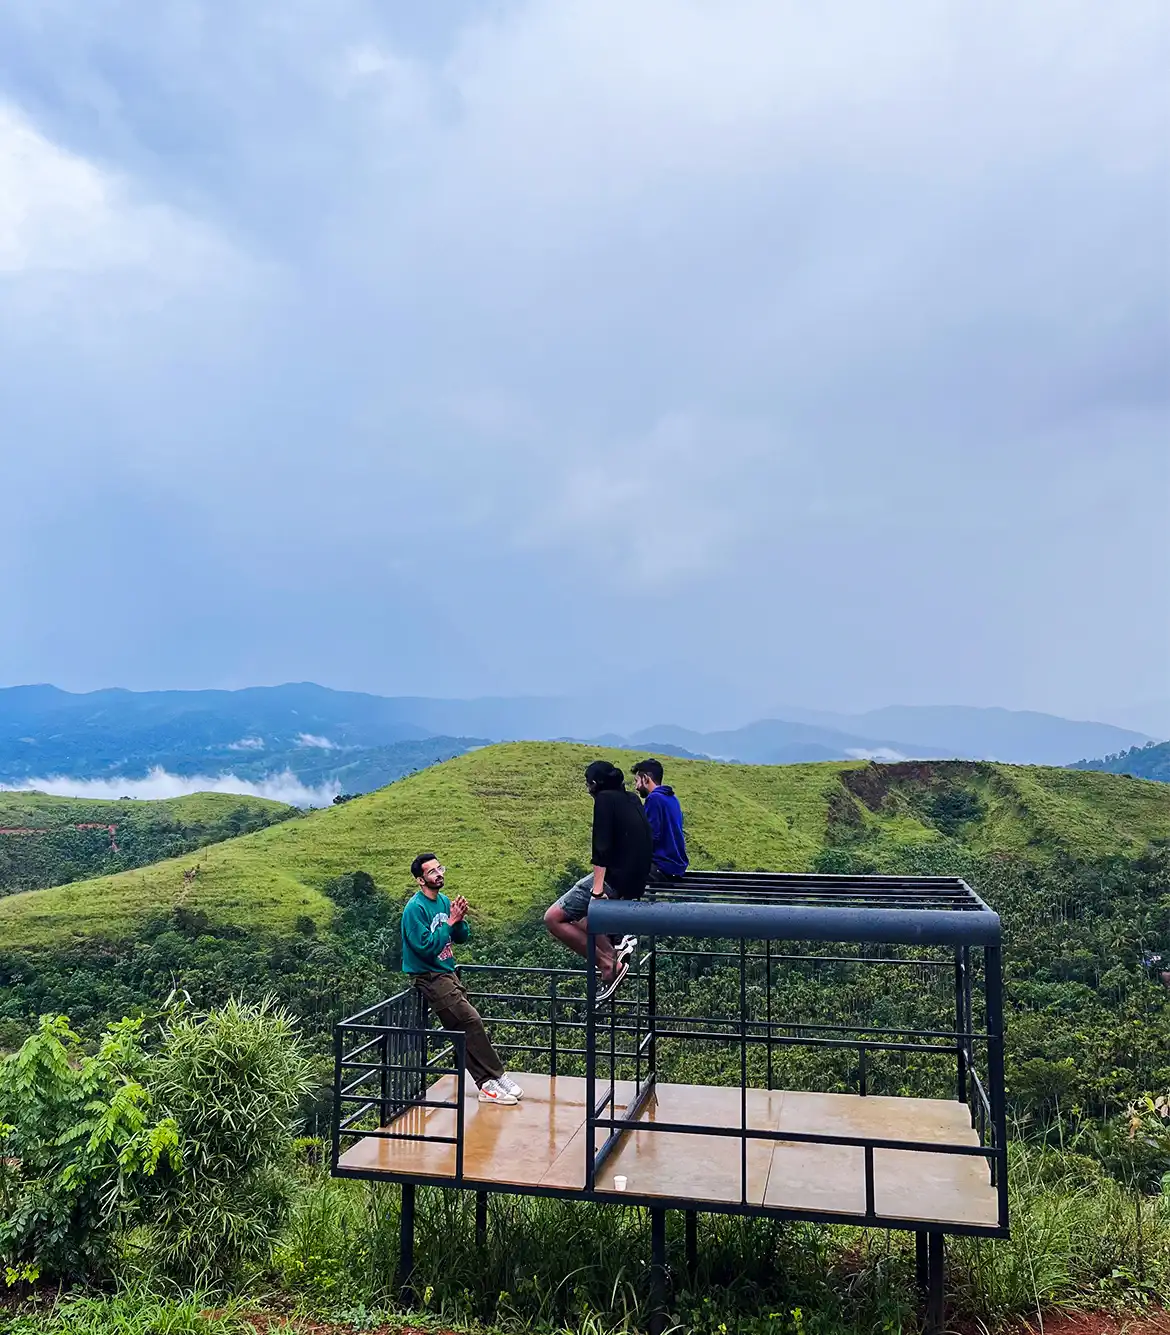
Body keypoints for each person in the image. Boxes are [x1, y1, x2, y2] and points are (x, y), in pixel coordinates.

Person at [401, 852, 523, 1106]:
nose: (439, 873)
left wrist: (460, 920)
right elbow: (424, 948)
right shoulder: (415, 909)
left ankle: (487, 1084)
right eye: (432, 871)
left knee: (461, 1029)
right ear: (420, 880)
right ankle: (497, 1076)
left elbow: (461, 937)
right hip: (429, 976)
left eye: (440, 868)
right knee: (471, 1020)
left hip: (447, 971)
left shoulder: (444, 901)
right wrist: (451, 921)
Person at [543, 760, 652, 1001]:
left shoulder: (604, 800)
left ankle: (607, 964)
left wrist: (597, 891)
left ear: (595, 784)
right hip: (635, 881)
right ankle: (612, 953)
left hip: (614, 877)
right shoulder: (632, 800)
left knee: (553, 918)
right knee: (583, 920)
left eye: (587, 784)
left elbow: (601, 848)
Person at [631, 758, 689, 883]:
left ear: (646, 779)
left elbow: (651, 836)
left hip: (662, 866)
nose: (636, 787)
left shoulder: (654, 799)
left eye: (637, 781)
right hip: (676, 866)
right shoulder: (671, 798)